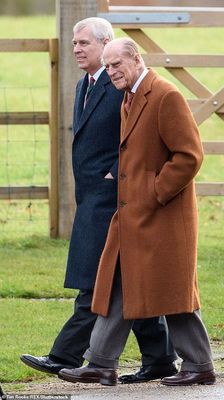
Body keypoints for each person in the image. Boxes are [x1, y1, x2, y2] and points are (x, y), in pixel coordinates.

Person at [21, 18, 177, 383]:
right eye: (74, 43)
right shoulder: (85, 83)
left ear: (106, 43)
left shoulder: (119, 82)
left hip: (115, 198)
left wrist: (115, 171)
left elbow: (140, 134)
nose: (76, 49)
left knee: (97, 281)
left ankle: (65, 354)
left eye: (84, 43)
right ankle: (160, 358)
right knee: (126, 281)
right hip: (92, 197)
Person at [59, 37, 216, 387]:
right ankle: (100, 362)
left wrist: (153, 191)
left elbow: (189, 156)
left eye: (117, 65)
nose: (111, 71)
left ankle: (200, 364)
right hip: (132, 215)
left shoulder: (165, 95)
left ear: (136, 60)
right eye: (108, 66)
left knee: (173, 290)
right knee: (118, 282)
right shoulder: (130, 96)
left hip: (163, 216)